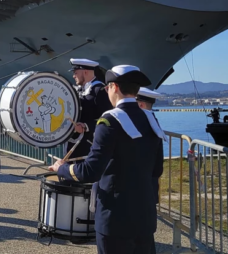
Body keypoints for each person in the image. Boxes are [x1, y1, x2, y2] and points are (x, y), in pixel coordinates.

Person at [49, 65, 164, 254]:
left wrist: (62, 168)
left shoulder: (109, 121)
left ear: (114, 87)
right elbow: (157, 169)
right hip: (145, 214)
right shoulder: (151, 119)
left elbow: (90, 171)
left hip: (115, 216)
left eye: (107, 87)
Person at [136, 87, 165, 254]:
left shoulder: (143, 125)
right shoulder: (153, 123)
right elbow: (158, 167)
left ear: (140, 105)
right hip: (148, 188)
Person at [66, 58, 112, 159]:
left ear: (85, 72)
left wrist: (86, 126)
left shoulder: (99, 91)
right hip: (74, 144)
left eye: (76, 73)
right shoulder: (82, 89)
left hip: (89, 146)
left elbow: (108, 120)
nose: (74, 76)